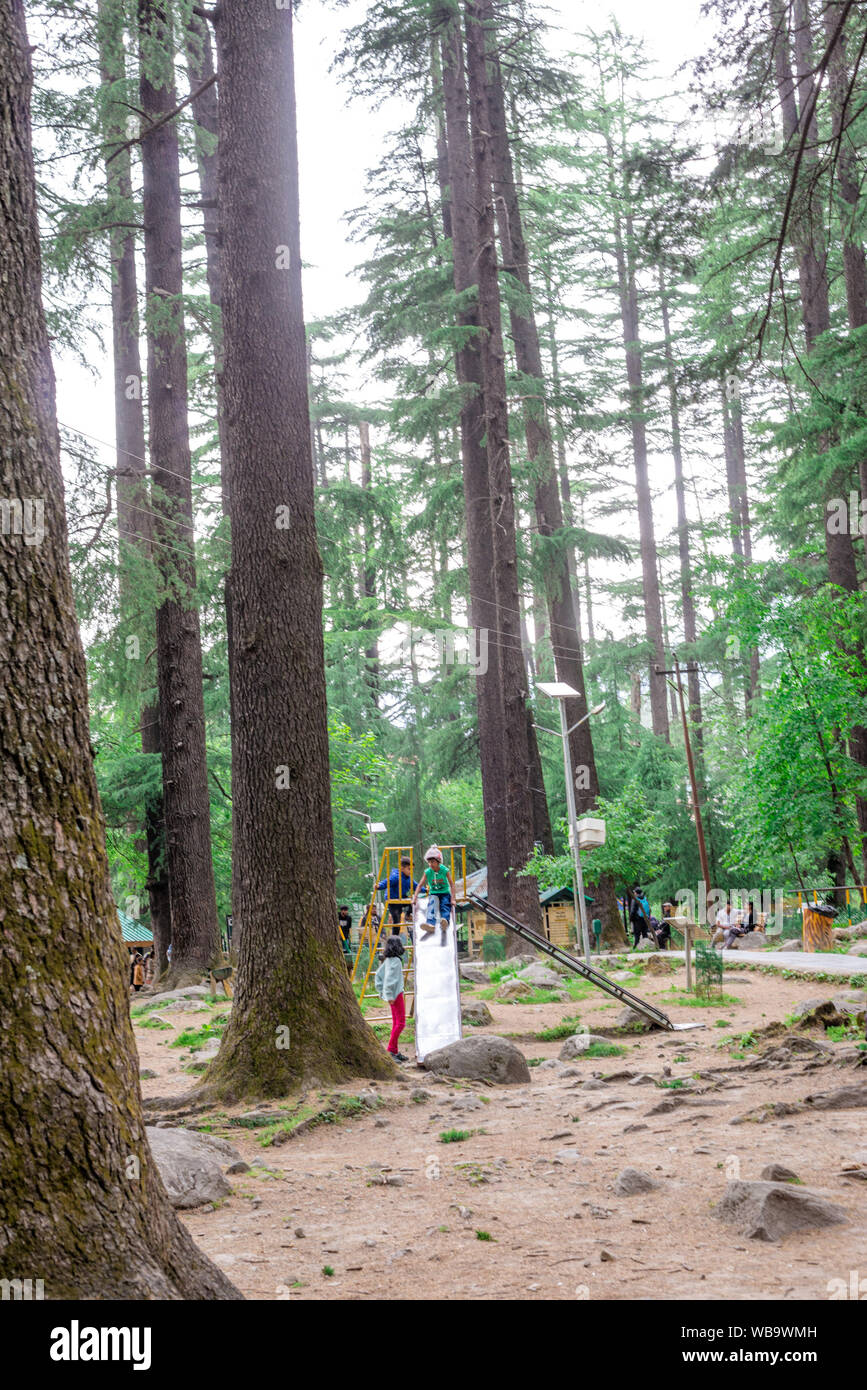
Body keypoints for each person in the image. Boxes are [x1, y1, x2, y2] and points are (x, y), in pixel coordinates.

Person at [374, 935, 409, 1061]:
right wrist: (388, 995)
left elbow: (378, 975)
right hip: (396, 995)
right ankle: (390, 1050)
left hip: (392, 995)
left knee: (396, 1022)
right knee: (401, 1023)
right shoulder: (396, 962)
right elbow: (389, 980)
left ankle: (394, 1050)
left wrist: (381, 991)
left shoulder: (388, 960)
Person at [414, 845, 455, 936]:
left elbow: (452, 884)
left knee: (445, 905)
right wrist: (415, 897)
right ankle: (430, 924)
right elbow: (420, 885)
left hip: (444, 893)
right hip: (434, 893)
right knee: (432, 905)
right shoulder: (428, 872)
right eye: (429, 862)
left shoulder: (444, 870)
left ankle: (445, 921)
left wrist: (453, 899)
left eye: (432, 862)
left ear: (438, 861)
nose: (430, 864)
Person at [376, 855, 417, 926]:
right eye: (409, 869)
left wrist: (425, 890)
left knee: (413, 900)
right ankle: (395, 935)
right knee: (396, 920)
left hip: (401, 897)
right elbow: (387, 882)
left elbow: (417, 886)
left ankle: (408, 915)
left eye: (412, 870)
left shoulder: (409, 879)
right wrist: (379, 885)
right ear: (402, 868)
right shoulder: (396, 877)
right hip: (392, 900)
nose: (411, 872)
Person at [337, 906, 353, 975]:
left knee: (347, 951)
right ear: (341, 911)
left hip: (345, 938)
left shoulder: (349, 918)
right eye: (344, 910)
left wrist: (348, 936)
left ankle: (348, 966)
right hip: (338, 938)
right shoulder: (337, 916)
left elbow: (349, 928)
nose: (345, 912)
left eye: (346, 910)